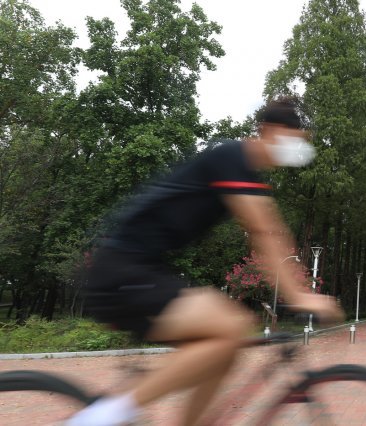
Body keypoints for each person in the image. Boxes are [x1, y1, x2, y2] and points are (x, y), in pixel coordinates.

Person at [68, 99, 343, 426]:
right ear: (269, 130)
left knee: (225, 353)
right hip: (122, 271)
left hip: (140, 270)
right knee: (230, 327)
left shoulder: (246, 172)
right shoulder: (231, 157)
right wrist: (299, 296)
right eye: (295, 138)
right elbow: (265, 231)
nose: (297, 148)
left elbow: (270, 229)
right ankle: (98, 418)